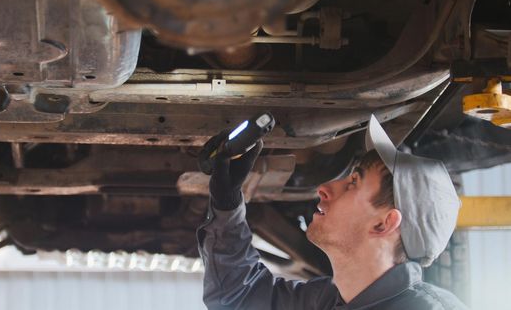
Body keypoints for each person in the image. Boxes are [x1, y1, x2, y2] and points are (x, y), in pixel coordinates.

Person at [197, 115, 469, 309]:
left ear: (384, 224)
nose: (324, 188)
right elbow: (239, 296)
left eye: (353, 183)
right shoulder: (329, 300)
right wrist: (227, 201)